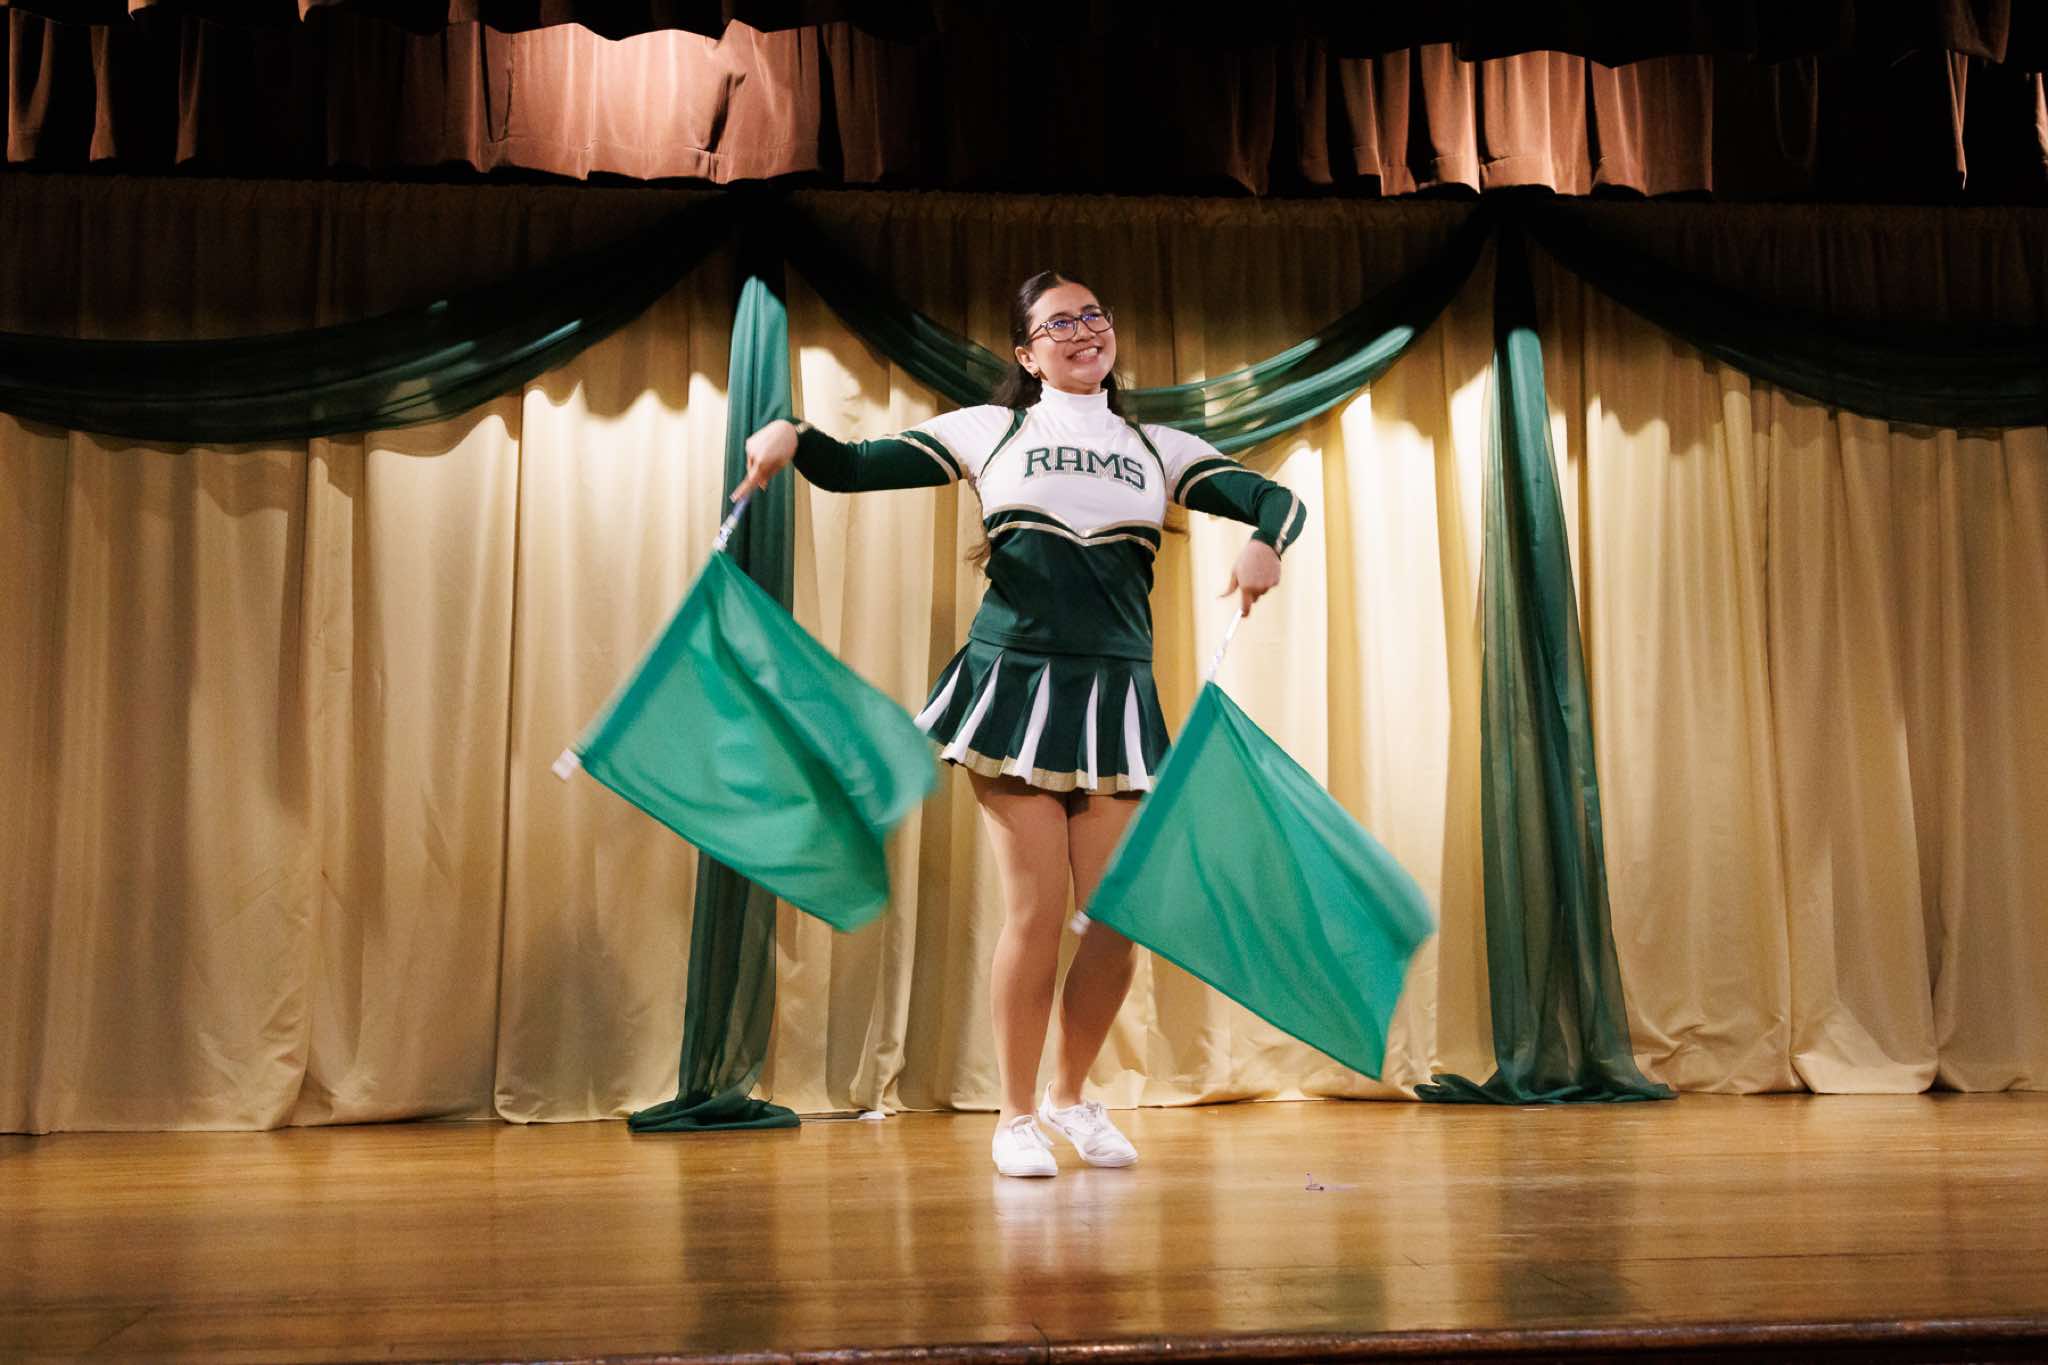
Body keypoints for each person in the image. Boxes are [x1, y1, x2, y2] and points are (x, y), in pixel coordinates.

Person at [734, 271, 1307, 1178]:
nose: (1083, 331)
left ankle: (1073, 1098)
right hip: (1014, 689)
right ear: (1027, 353)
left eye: (1095, 315)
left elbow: (1280, 501)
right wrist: (792, 434)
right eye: (1059, 322)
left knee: (1115, 917)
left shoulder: (1157, 447)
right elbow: (851, 467)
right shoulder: (990, 432)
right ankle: (1015, 1115)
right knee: (1037, 911)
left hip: (1116, 697)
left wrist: (1265, 543)